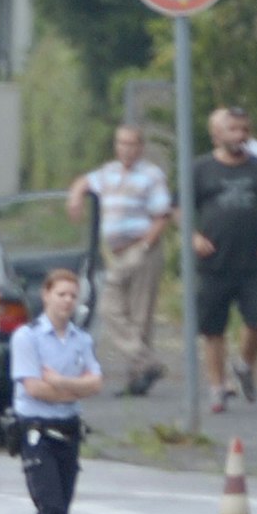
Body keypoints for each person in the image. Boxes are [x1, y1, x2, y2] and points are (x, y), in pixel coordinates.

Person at [10, 269, 102, 514]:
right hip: (37, 430)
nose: (67, 301)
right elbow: (33, 388)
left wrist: (62, 384)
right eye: (61, 294)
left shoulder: (81, 339)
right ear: (46, 295)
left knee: (61, 509)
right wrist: (74, 388)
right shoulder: (28, 337)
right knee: (50, 504)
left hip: (68, 429)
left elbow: (96, 383)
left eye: (72, 296)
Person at [192, 104, 257, 413]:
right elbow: (180, 208)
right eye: (233, 129)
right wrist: (192, 237)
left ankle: (244, 364)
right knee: (213, 329)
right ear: (216, 134)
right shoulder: (201, 168)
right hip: (215, 261)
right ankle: (217, 389)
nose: (241, 135)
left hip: (256, 261)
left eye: (245, 129)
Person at [66, 124, 171, 396]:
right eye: (121, 143)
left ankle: (137, 379)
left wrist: (146, 245)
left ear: (141, 147)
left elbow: (162, 214)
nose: (126, 149)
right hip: (118, 252)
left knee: (140, 315)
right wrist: (76, 196)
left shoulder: (151, 175)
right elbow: (84, 181)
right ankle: (147, 362)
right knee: (109, 307)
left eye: (132, 144)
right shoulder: (109, 172)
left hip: (142, 247)